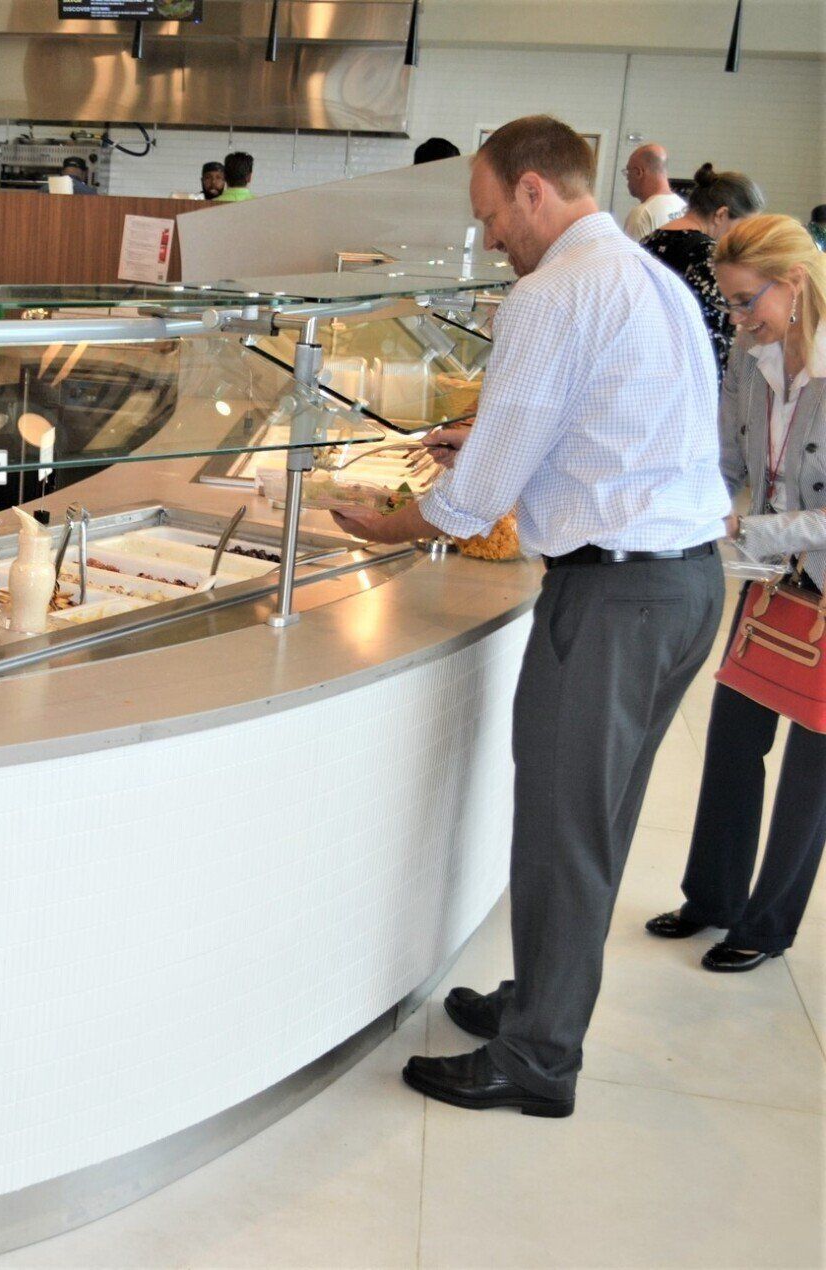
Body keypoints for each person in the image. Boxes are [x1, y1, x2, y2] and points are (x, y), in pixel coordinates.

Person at [331, 115, 728, 1118]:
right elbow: (610, 421)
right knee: (594, 822)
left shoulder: (552, 293)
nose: (492, 237)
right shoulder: (651, 279)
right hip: (683, 586)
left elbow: (477, 499)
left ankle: (540, 1058)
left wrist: (391, 523)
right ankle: (538, 1002)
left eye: (494, 215)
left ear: (536, 191)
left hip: (614, 597)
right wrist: (492, 434)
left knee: (564, 830)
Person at [645, 213, 826, 973]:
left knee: (811, 774)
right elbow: (721, 461)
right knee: (731, 740)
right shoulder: (750, 361)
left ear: (794, 284)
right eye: (730, 304)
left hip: (795, 561)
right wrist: (686, 510)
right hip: (769, 579)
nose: (739, 319)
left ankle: (769, 921)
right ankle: (712, 897)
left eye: (748, 301)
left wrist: (752, 528)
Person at [640, 164, 764, 373]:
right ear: (721, 214)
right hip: (689, 376)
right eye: (744, 227)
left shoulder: (648, 242)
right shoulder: (708, 257)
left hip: (648, 366)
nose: (744, 236)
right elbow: (717, 340)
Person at [622, 142, 686, 241]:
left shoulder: (641, 215)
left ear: (638, 172)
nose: (627, 178)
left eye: (628, 172)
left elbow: (631, 256)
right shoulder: (683, 206)